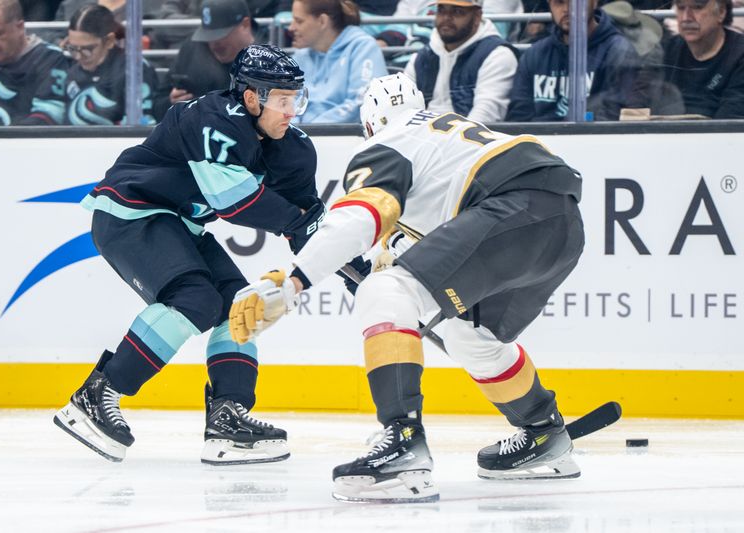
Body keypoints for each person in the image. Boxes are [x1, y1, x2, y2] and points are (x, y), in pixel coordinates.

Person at [228, 72, 585, 502]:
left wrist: (293, 281)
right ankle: (544, 433)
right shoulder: (443, 133)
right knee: (469, 334)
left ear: (369, 124)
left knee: (383, 291)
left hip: (510, 206)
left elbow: (363, 215)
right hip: (562, 220)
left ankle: (403, 441)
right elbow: (448, 227)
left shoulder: (387, 141)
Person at [53, 44, 327, 465]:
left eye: (297, 100)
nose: (292, 112)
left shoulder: (294, 149)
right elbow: (234, 201)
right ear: (251, 97)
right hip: (129, 211)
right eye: (282, 100)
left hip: (178, 222)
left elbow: (308, 225)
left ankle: (227, 418)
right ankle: (98, 394)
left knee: (240, 306)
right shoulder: (212, 118)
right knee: (195, 299)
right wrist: (300, 223)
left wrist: (354, 263)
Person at [505, 0, 643, 121]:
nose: (567, 9)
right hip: (540, 146)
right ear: (549, 5)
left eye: (576, 2)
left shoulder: (618, 50)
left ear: (594, 2)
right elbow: (518, 119)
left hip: (595, 144)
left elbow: (614, 118)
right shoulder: (534, 54)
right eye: (559, 2)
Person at [404, 0, 518, 124]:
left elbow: (485, 116)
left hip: (470, 139)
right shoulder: (421, 57)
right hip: (421, 136)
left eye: (457, 12)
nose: (446, 18)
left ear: (477, 17)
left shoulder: (498, 55)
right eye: (441, 10)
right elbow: (403, 109)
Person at [50, 4, 160, 125]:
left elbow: (143, 122)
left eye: (87, 49)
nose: (78, 56)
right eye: (72, 48)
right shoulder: (70, 70)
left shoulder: (135, 70)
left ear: (109, 41)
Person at [288, 0, 388, 123]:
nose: (291, 27)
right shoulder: (300, 55)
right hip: (303, 137)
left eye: (299, 21)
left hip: (348, 137)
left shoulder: (363, 47)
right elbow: (288, 105)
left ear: (322, 21)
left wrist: (312, 131)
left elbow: (362, 104)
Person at [661, 0, 744, 118]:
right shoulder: (666, 49)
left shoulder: (739, 55)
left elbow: (730, 122)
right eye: (680, 8)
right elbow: (639, 105)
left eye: (697, 8)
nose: (686, 18)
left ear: (721, 12)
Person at [168, 0, 255, 105]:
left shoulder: (267, 60)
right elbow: (157, 102)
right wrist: (171, 103)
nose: (214, 43)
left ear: (245, 25)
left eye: (221, 35)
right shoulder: (192, 49)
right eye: (208, 35)